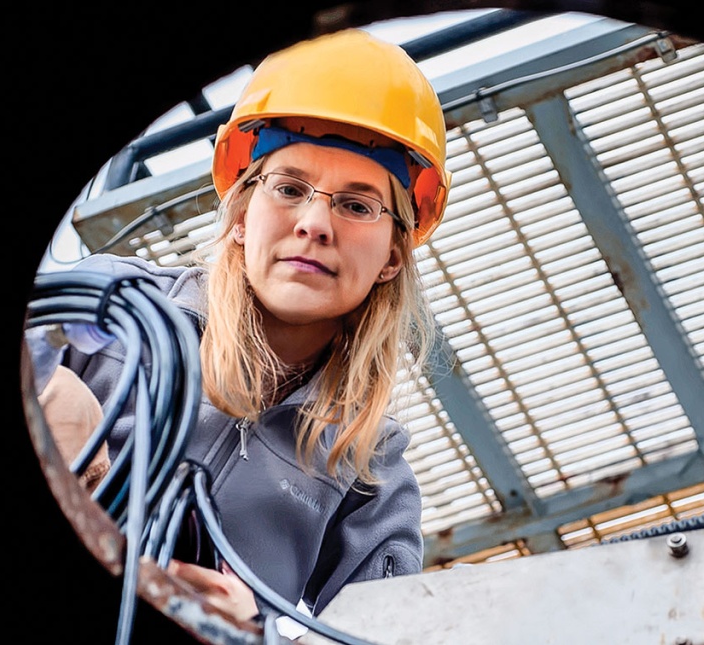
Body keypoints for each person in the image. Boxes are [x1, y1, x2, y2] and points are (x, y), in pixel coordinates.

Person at [29, 27, 451, 630]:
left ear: (392, 255)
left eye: (357, 205)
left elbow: (384, 632)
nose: (314, 224)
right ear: (240, 215)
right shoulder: (117, 305)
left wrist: (256, 634)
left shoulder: (370, 465)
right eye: (289, 188)